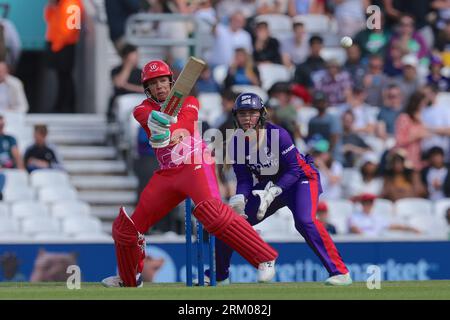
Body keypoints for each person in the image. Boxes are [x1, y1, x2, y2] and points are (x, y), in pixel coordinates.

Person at [101, 60, 278, 287]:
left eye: (163, 81)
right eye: (154, 84)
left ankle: (265, 257)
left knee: (212, 213)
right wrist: (158, 125)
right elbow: (149, 120)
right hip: (168, 173)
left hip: (196, 164)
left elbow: (185, 122)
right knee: (128, 229)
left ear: (171, 82)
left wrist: (170, 130)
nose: (160, 87)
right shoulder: (141, 109)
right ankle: (129, 278)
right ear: (147, 89)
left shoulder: (190, 102)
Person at [208, 92, 352, 286]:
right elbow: (244, 179)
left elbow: (293, 170)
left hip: (300, 180)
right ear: (236, 116)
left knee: (304, 221)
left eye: (252, 113)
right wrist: (240, 198)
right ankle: (220, 275)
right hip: (267, 185)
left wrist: (275, 191)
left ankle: (340, 272)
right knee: (231, 223)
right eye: (243, 113)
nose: (247, 118)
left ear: (262, 114)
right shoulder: (236, 142)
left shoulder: (277, 135)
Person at [44, 0, 83, 113]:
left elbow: (72, 29)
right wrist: (51, 7)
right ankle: (60, 105)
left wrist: (57, 45)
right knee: (61, 76)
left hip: (65, 45)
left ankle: (67, 106)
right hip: (57, 43)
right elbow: (48, 18)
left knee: (66, 76)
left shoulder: (72, 4)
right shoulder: (59, 5)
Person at [349, 193, 421, 236]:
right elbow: (354, 229)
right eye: (366, 202)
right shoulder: (354, 216)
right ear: (362, 203)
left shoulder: (377, 217)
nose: (368, 205)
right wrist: (365, 237)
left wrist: (410, 228)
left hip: (375, 245)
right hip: (362, 244)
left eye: (370, 202)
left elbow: (392, 226)